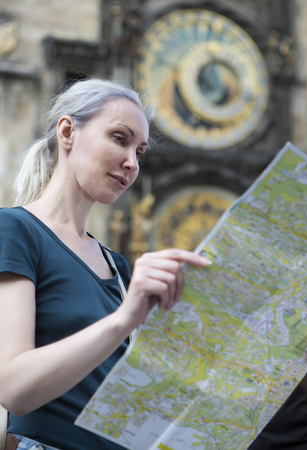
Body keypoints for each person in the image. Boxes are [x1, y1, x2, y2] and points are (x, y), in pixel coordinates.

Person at [0, 79, 210, 450]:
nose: (132, 162)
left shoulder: (116, 265)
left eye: (140, 152)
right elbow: (13, 388)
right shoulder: (15, 229)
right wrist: (124, 319)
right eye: (119, 138)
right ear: (67, 132)